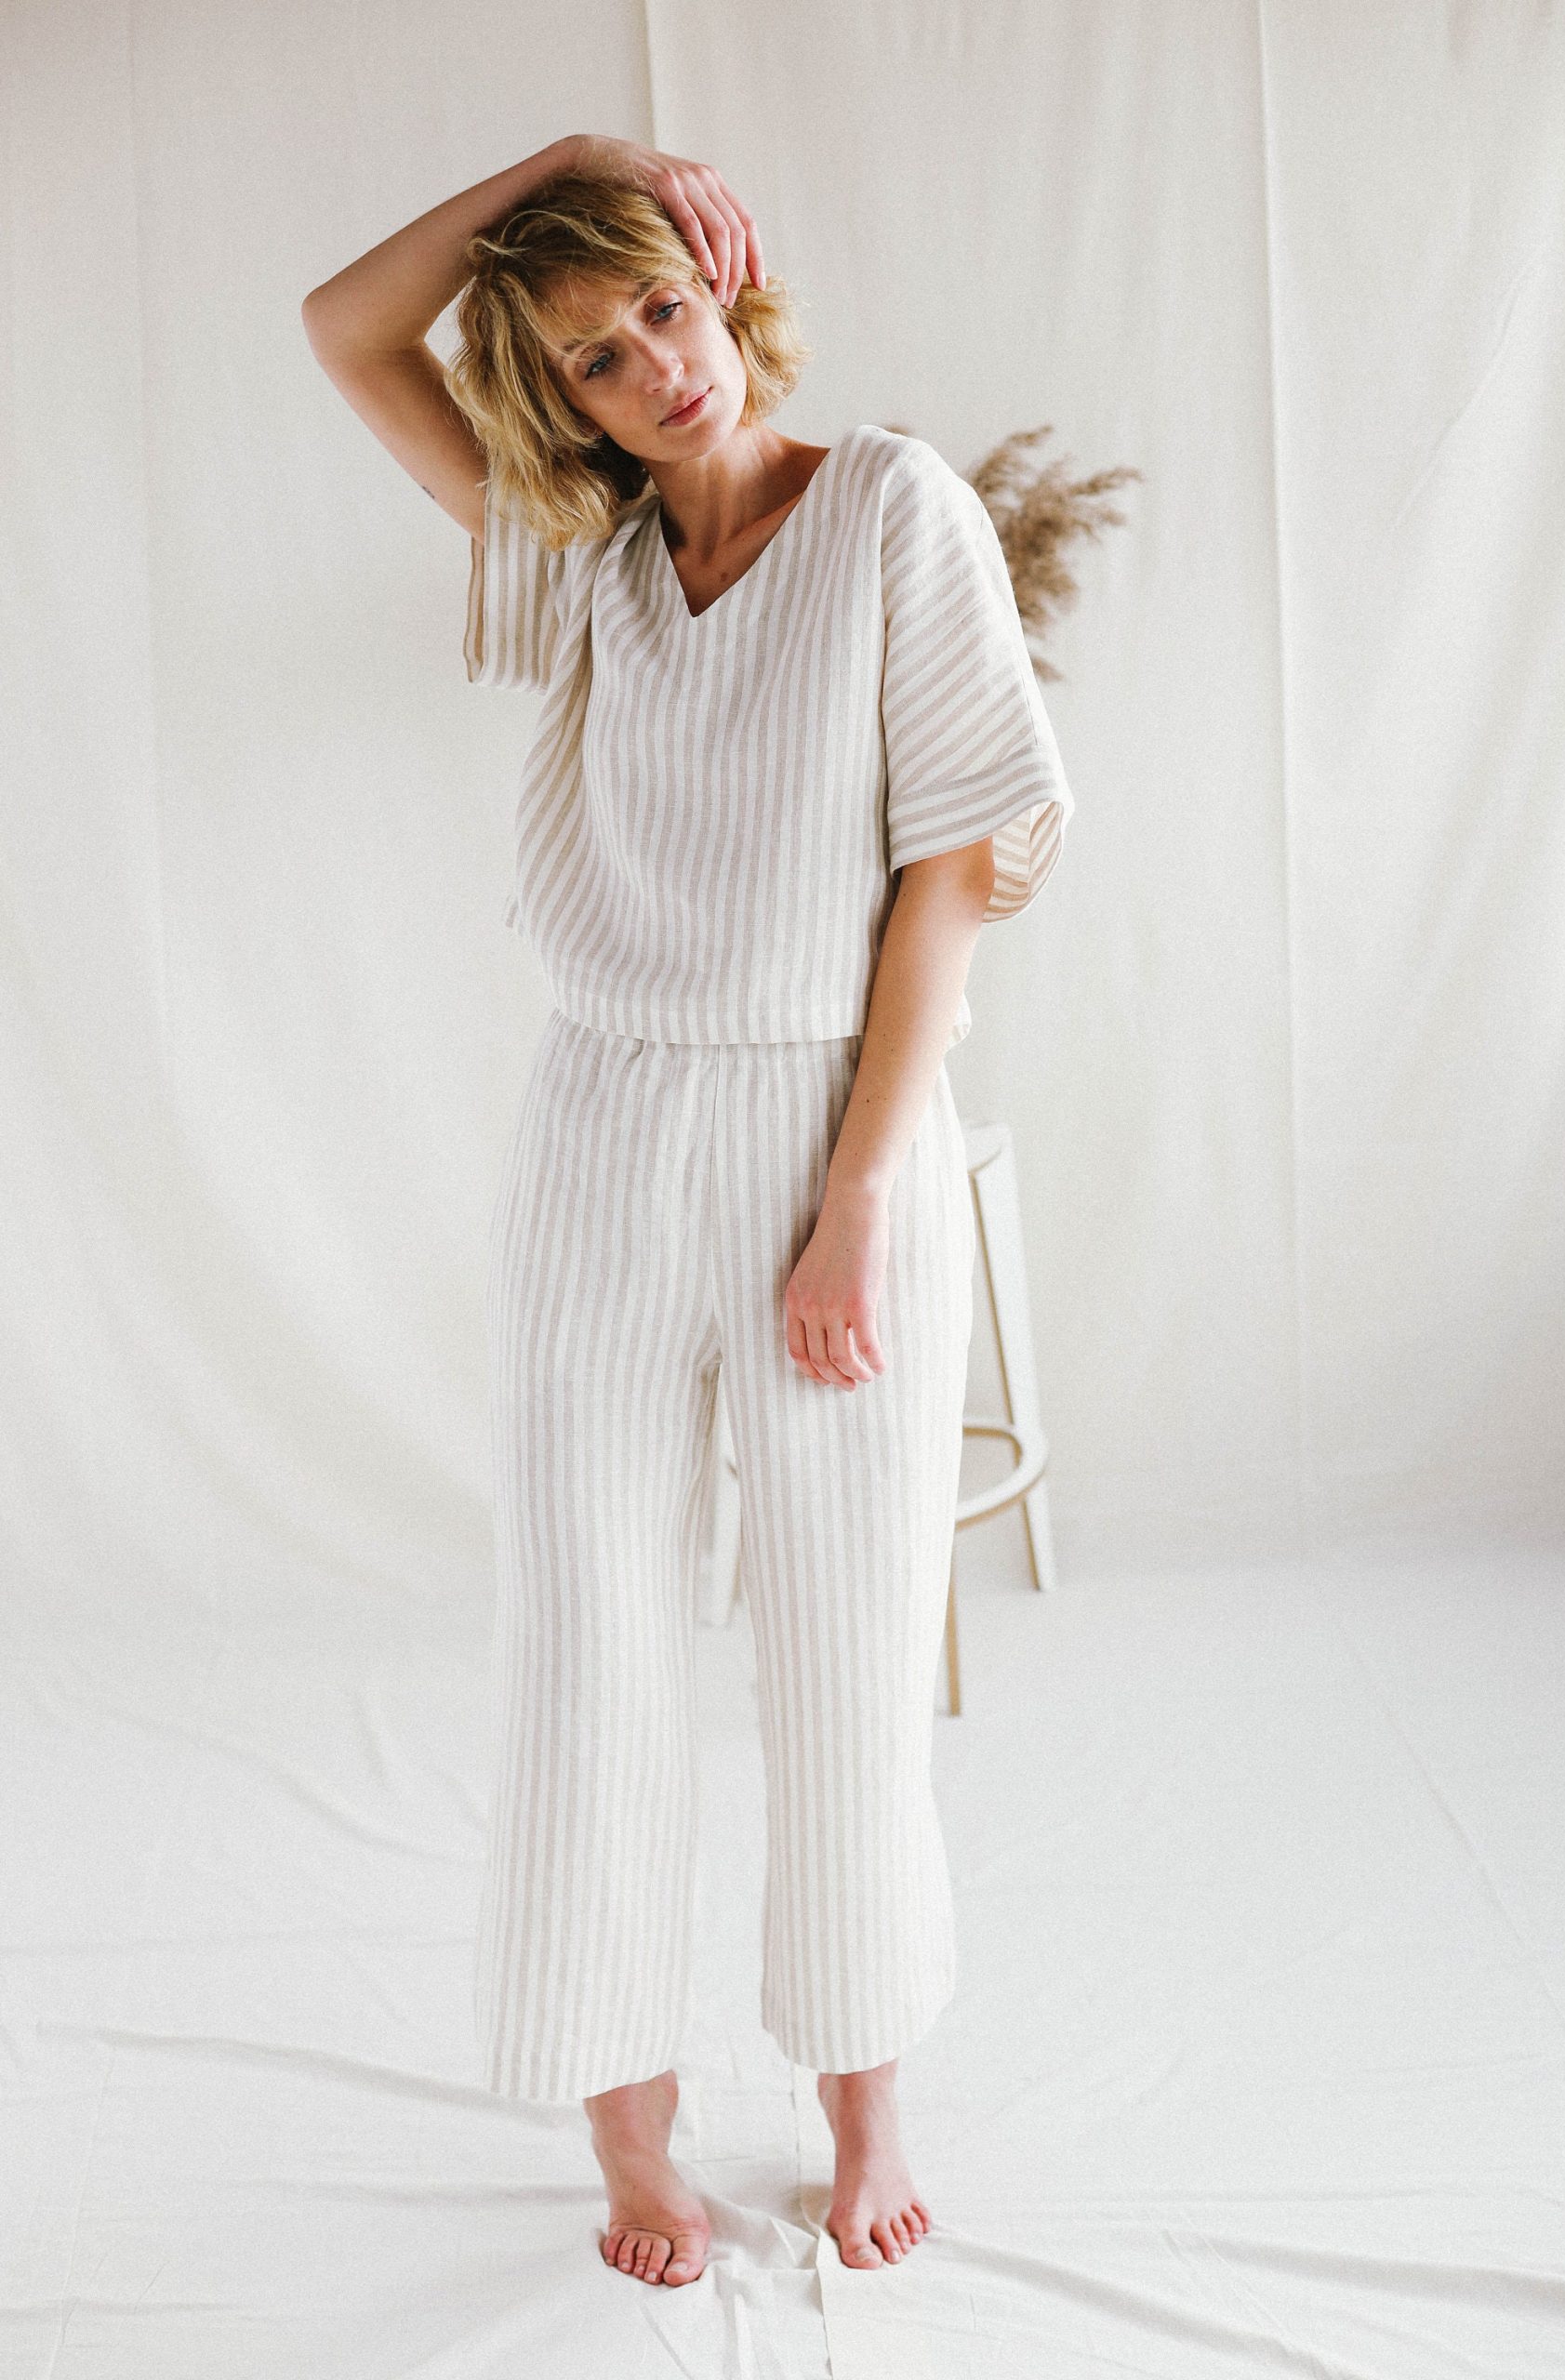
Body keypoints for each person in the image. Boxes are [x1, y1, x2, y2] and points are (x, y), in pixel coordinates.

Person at [301, 132, 1073, 2291]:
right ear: (554, 396)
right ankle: (622, 2113)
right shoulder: (579, 557)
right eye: (592, 353)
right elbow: (344, 331)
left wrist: (849, 1203)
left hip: (832, 1129)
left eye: (661, 303)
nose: (655, 365)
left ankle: (863, 2094)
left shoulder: (892, 511)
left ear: (722, 282)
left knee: (846, 1640)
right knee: (589, 1630)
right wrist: (567, 165)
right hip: (599, 1134)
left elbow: (951, 871)